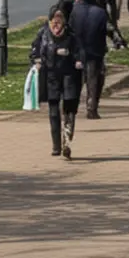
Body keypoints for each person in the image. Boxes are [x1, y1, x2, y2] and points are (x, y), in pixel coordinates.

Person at [30, 9, 83, 159]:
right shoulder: (43, 33)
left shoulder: (71, 35)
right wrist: (37, 60)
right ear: (50, 21)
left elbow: (80, 51)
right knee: (53, 109)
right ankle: (56, 145)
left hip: (69, 75)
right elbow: (35, 50)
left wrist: (77, 59)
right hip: (51, 75)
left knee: (69, 106)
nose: (57, 23)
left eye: (60, 19)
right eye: (54, 19)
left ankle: (67, 139)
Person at [69, 0, 111, 119]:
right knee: (94, 80)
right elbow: (108, 29)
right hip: (95, 50)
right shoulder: (100, 13)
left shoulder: (74, 10)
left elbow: (69, 29)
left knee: (76, 80)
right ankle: (92, 108)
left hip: (77, 50)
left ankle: (70, 107)